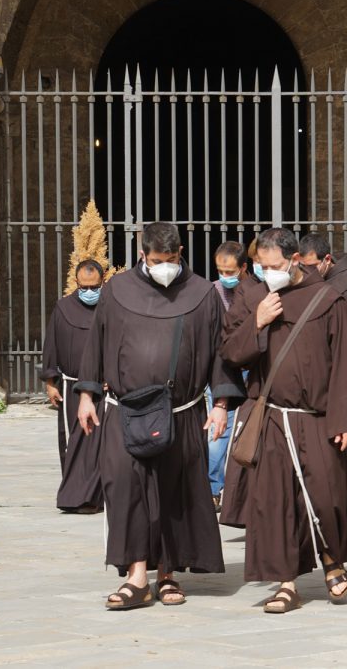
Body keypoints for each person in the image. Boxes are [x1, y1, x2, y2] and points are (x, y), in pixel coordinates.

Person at [74, 223, 244, 611]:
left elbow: (220, 351)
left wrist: (220, 404)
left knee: (174, 492)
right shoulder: (116, 290)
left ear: (181, 252)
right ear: (141, 255)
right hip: (124, 410)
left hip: (180, 412)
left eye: (170, 260)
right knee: (126, 489)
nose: (163, 267)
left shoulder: (202, 294)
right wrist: (86, 394)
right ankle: (137, 577)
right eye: (155, 261)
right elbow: (96, 341)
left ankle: (167, 573)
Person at [221, 228, 347, 614]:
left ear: (296, 260)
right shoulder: (251, 296)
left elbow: (345, 361)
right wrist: (257, 323)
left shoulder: (327, 299)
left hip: (317, 417)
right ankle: (286, 583)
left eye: (276, 266)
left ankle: (332, 560)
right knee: (277, 504)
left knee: (327, 495)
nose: (269, 273)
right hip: (273, 418)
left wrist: (344, 418)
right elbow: (230, 353)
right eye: (262, 267)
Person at [40, 260, 105, 514]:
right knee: (73, 442)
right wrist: (49, 382)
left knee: (99, 443)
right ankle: (73, 494)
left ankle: (97, 496)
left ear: (103, 282)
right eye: (84, 286)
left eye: (94, 286)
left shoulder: (110, 308)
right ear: (76, 283)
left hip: (103, 388)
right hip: (70, 387)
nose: (89, 291)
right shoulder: (64, 308)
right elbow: (52, 345)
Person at [208, 241, 250, 511]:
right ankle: (213, 488)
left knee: (247, 430)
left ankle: (241, 492)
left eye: (230, 271)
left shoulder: (256, 291)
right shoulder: (211, 293)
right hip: (222, 368)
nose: (225, 277)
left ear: (243, 268)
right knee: (218, 431)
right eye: (221, 271)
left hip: (251, 366)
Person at [300, 232, 347, 297]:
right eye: (303, 266)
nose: (308, 271)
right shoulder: (303, 280)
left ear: (327, 259)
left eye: (312, 266)